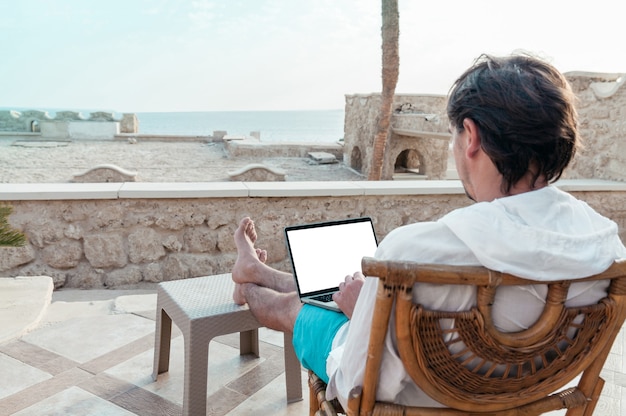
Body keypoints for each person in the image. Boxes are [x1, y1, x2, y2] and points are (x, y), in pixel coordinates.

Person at [231, 53, 626, 409]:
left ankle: (246, 284)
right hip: (523, 391)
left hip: (417, 397)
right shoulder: (605, 244)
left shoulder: (414, 251)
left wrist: (359, 314)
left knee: (294, 308)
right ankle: (259, 272)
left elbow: (355, 383)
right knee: (331, 292)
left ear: (470, 137)